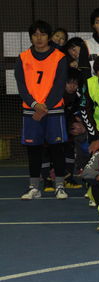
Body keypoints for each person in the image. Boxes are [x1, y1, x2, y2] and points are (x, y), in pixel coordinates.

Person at [16, 20, 69, 200]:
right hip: (31, 111)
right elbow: (21, 86)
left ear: (49, 37)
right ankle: (34, 187)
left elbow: (60, 85)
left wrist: (45, 106)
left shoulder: (59, 57)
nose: (39, 38)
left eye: (43, 34)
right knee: (33, 149)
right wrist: (34, 105)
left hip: (53, 110)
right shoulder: (23, 57)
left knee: (57, 148)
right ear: (31, 37)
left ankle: (59, 186)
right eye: (35, 34)